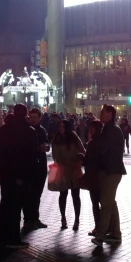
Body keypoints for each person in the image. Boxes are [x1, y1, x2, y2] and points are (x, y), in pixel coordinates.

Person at [0, 103, 39, 249]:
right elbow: (33, 156)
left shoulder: (3, 130)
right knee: (16, 206)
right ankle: (13, 238)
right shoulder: (29, 131)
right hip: (21, 175)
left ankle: (2, 235)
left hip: (6, 173)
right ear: (25, 113)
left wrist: (0, 170)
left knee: (5, 202)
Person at [92, 105, 126, 246]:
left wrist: (94, 143)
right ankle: (115, 233)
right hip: (109, 170)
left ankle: (101, 235)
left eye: (103, 112)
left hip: (111, 171)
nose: (100, 114)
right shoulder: (108, 128)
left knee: (105, 204)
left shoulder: (112, 130)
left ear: (110, 114)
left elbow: (102, 148)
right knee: (110, 203)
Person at [51, 119, 85, 231]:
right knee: (63, 194)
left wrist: (78, 159)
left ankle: (77, 220)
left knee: (76, 195)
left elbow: (82, 150)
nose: (61, 128)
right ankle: (63, 218)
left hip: (74, 170)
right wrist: (63, 161)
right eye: (59, 126)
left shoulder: (73, 137)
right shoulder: (56, 139)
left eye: (63, 126)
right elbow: (55, 156)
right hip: (63, 170)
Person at [24, 107, 50, 231]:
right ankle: (28, 219)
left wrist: (46, 146)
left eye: (35, 117)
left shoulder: (42, 130)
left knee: (38, 194)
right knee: (29, 194)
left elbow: (47, 144)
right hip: (30, 166)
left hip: (41, 165)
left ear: (40, 118)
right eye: (31, 117)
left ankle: (35, 218)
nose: (33, 120)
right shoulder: (26, 130)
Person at [83, 119, 104, 237]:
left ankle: (98, 227)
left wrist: (82, 158)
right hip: (99, 175)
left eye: (92, 128)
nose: (90, 130)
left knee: (95, 202)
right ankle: (102, 226)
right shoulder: (102, 141)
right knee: (100, 202)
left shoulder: (93, 143)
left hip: (94, 176)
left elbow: (89, 160)